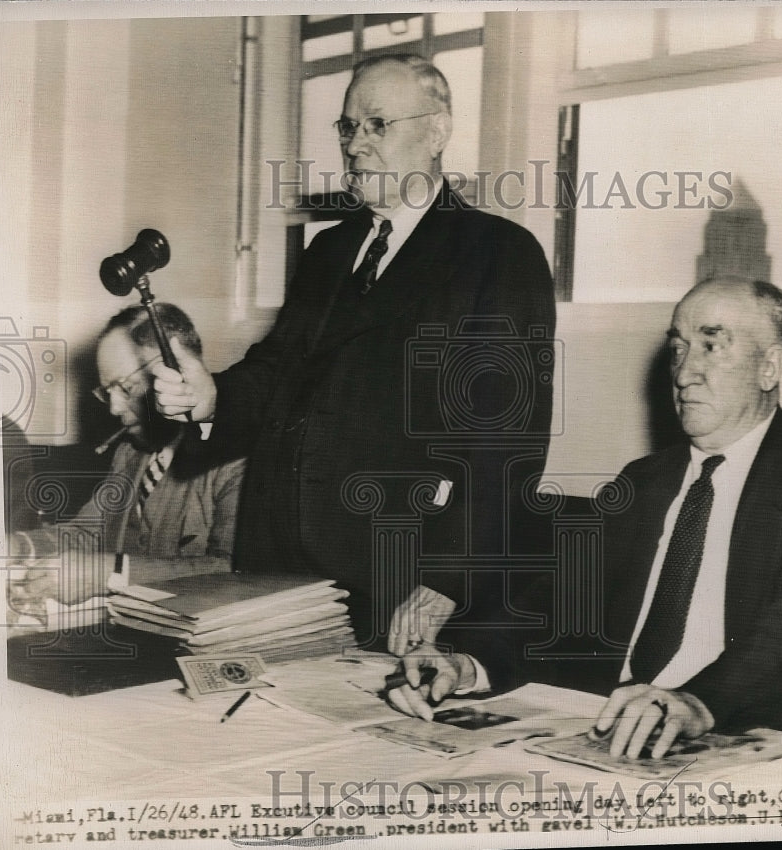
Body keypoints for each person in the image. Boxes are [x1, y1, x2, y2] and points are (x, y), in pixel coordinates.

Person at [387, 276, 782, 761]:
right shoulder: (642, 481)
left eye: (711, 345)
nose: (683, 372)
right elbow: (556, 603)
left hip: (737, 732)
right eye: (677, 347)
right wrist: (466, 665)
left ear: (770, 366)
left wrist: (700, 702)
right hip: (605, 726)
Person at [150, 54, 556, 648]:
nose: (356, 144)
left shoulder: (496, 254)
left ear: (438, 131)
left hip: (395, 576)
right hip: (280, 565)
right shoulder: (328, 252)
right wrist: (212, 395)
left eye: (376, 124)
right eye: (347, 127)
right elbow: (277, 371)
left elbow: (505, 443)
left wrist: (445, 579)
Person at [8, 304, 244, 621]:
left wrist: (111, 573)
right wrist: (16, 546)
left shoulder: (238, 454)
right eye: (107, 392)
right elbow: (85, 533)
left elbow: (232, 568)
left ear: (177, 371)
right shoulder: (132, 451)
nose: (115, 407)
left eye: (126, 387)